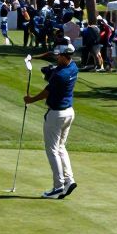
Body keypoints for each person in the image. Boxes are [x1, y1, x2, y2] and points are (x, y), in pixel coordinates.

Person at [24, 42, 79, 199]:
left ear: (63, 56)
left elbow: (46, 93)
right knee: (61, 147)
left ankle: (58, 186)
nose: (56, 57)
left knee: (52, 150)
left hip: (57, 114)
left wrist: (30, 100)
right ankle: (69, 180)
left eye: (58, 56)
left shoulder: (59, 76)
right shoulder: (73, 67)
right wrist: (34, 57)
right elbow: (51, 56)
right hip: (69, 112)